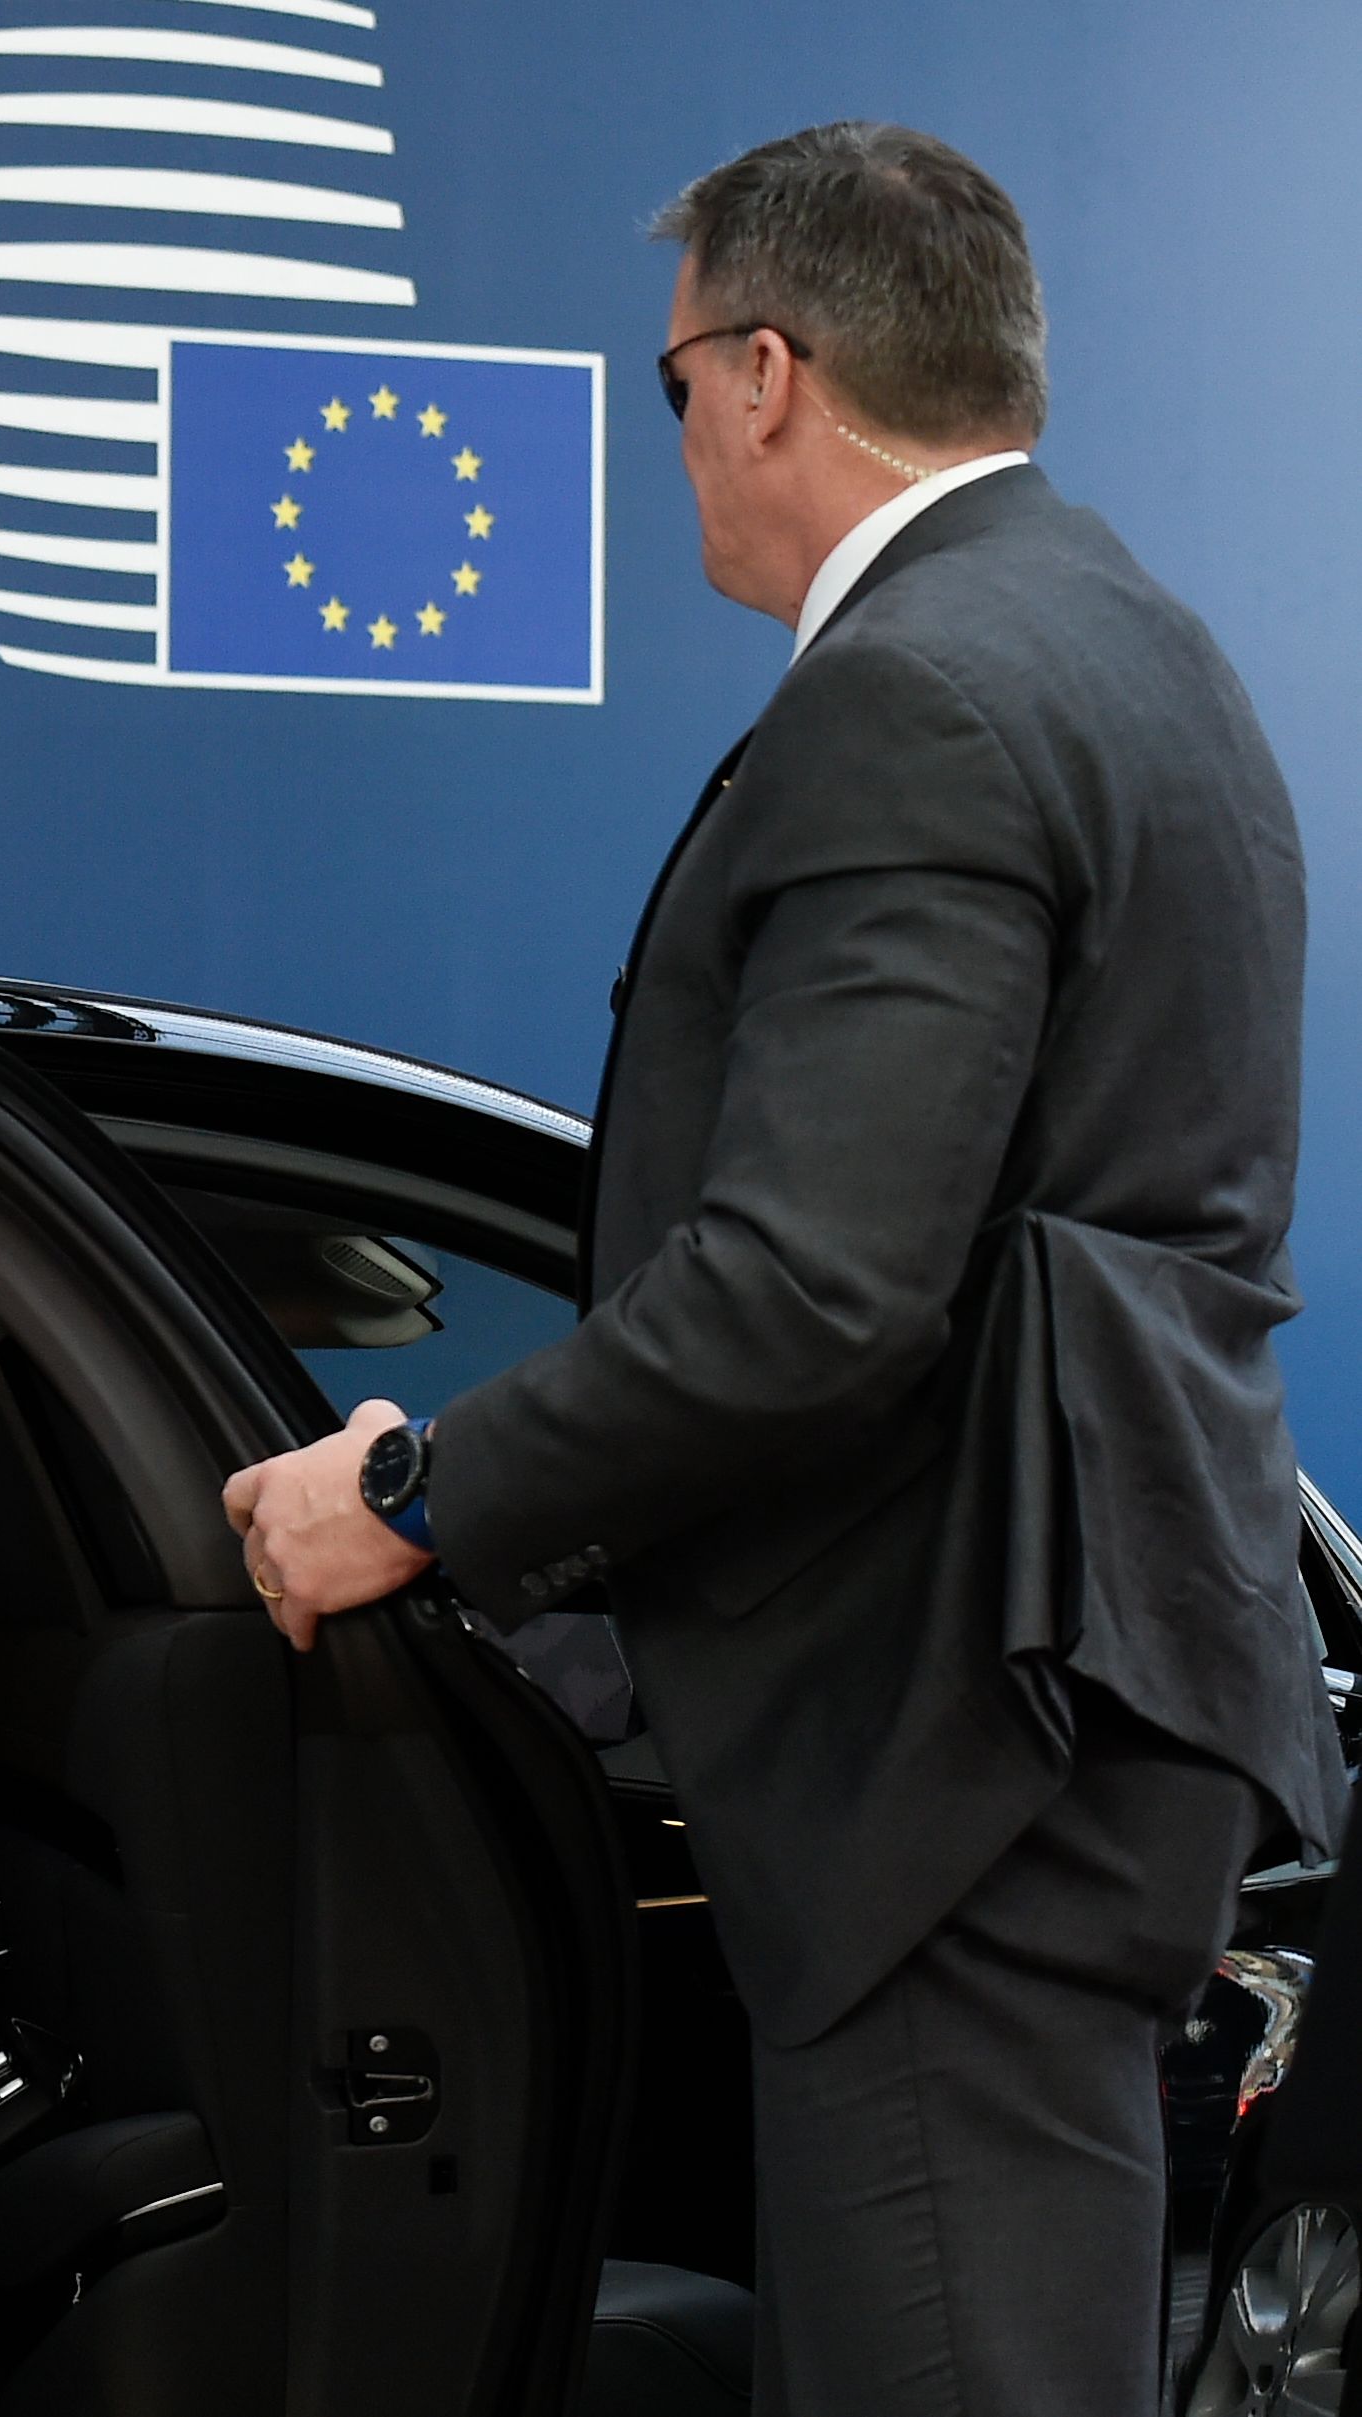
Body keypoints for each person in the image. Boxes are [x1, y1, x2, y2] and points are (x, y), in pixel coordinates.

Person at [221, 122, 1342, 2414]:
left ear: (759, 376)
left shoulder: (911, 692)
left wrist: (413, 1495)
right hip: (1064, 1703)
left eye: (660, 393)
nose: (678, 451)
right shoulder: (1146, 651)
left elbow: (815, 1290)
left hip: (953, 1747)